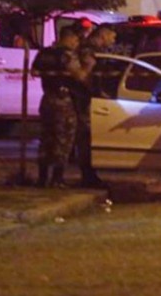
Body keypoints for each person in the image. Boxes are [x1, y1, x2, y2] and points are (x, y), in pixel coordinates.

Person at [32, 26, 88, 188]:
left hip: (47, 97)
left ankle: (42, 178)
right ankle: (57, 179)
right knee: (63, 140)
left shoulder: (45, 53)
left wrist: (50, 73)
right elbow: (80, 75)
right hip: (64, 100)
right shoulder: (67, 55)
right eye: (76, 40)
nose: (77, 43)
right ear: (69, 38)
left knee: (46, 138)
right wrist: (88, 67)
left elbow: (34, 72)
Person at [74, 24, 117, 188]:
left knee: (87, 137)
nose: (113, 41)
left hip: (89, 99)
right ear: (104, 35)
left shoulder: (92, 49)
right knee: (84, 138)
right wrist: (97, 93)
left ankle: (89, 174)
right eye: (112, 37)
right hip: (85, 100)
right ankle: (87, 175)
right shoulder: (88, 50)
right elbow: (86, 75)